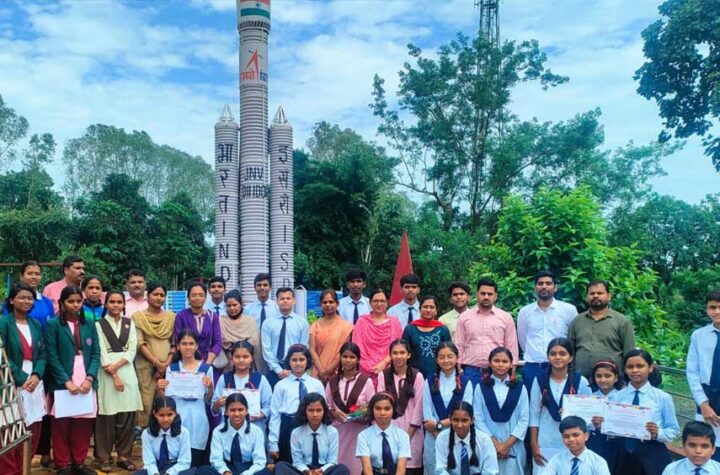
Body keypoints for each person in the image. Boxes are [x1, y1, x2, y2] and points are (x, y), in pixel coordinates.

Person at [44, 285, 100, 475]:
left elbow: (96, 353)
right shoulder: (53, 325)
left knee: (83, 423)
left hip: (85, 376)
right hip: (62, 378)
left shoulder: (89, 323)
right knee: (61, 423)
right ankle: (62, 464)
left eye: (78, 301)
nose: (75, 305)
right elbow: (51, 355)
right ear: (62, 303)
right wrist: (66, 381)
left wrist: (90, 378)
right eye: (70, 301)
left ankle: (79, 462)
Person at [0, 284, 46, 475]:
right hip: (8, 381)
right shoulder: (3, 322)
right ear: (11, 300)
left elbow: (42, 354)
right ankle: (9, 471)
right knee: (9, 427)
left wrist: (36, 374)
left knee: (32, 425)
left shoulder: (35, 324)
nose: (26, 301)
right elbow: (1, 354)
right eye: (22, 297)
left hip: (34, 380)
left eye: (30, 298)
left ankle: (24, 468)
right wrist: (21, 378)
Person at [95, 290, 143, 472]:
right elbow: (101, 351)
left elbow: (132, 349)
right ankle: (104, 456)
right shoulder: (99, 324)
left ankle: (124, 455)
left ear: (124, 304)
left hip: (127, 369)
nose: (116, 305)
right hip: (106, 372)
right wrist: (114, 374)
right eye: (112, 302)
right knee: (107, 415)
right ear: (106, 304)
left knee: (127, 415)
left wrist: (118, 367)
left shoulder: (130, 323)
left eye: (119, 302)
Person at [528, 338, 591, 475]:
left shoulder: (581, 382)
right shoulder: (539, 380)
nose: (557, 357)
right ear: (548, 357)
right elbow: (534, 414)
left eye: (562, 353)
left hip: (572, 442)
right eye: (553, 354)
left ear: (571, 357)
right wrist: (534, 443)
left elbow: (588, 413)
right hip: (545, 441)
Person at [612, 349, 679, 475]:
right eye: (630, 367)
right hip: (622, 452)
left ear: (651, 368)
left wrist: (657, 433)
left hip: (651, 453)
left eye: (640, 366)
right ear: (625, 369)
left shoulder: (662, 398)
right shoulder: (617, 397)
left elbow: (673, 430)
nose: (635, 370)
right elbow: (612, 428)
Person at [158, 329, 214, 467]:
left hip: (198, 419)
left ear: (196, 346)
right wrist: (159, 389)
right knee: (178, 459)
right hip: (178, 418)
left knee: (194, 461)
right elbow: (167, 400)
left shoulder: (206, 369)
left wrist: (210, 387)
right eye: (184, 343)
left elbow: (209, 400)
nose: (187, 347)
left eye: (191, 343)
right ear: (178, 346)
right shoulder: (172, 369)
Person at [517, 271, 578, 390]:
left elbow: (573, 338)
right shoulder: (525, 312)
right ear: (535, 288)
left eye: (548, 283)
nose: (544, 286)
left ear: (555, 288)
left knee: (559, 399)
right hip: (533, 366)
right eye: (540, 283)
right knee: (532, 399)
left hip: (560, 366)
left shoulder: (568, 310)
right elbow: (523, 339)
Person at [474, 347, 529, 475]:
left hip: (513, 446)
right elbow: (478, 417)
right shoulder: (480, 387)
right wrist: (494, 444)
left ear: (511, 364)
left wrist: (506, 446)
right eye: (496, 361)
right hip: (488, 443)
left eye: (505, 361)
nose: (500, 365)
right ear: (489, 362)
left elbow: (524, 419)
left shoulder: (520, 387)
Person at [422, 342, 473, 475]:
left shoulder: (466, 383)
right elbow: (427, 414)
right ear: (436, 360)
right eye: (442, 357)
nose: (446, 360)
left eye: (450, 356)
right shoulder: (429, 381)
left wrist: (438, 424)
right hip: (433, 437)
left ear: (457, 358)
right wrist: (438, 437)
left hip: (458, 434)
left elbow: (464, 415)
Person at [456, 278, 519, 385]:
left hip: (498, 372)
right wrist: (458, 369)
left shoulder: (505, 318)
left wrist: (511, 373)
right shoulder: (464, 317)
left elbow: (511, 346)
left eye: (490, 294)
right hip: (470, 371)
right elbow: (459, 345)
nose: (486, 297)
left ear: (496, 296)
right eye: (483, 293)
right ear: (477, 294)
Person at [268, 344, 325, 463]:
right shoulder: (281, 385)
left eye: (301, 359)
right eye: (294, 360)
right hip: (288, 427)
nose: (298, 363)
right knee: (287, 464)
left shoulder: (316, 384)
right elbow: (275, 415)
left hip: (310, 426)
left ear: (307, 361)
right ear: (288, 361)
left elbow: (323, 411)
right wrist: (273, 442)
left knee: (309, 463)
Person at [567, 280, 636, 378]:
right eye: (592, 293)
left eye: (600, 293)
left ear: (609, 296)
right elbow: (570, 351)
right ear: (586, 297)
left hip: (611, 380)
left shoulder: (622, 321)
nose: (595, 296)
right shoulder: (577, 321)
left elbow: (629, 353)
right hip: (581, 379)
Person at [325, 342, 375, 474]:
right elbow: (326, 405)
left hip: (358, 432)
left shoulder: (366, 381)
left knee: (356, 465)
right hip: (337, 431)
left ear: (358, 360)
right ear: (340, 358)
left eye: (352, 357)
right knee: (337, 464)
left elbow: (372, 406)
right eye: (345, 356)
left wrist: (359, 414)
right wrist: (335, 414)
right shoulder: (332, 381)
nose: (348, 360)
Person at [377, 339, 425, 474]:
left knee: (409, 468)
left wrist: (406, 437)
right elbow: (381, 404)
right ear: (390, 355)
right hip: (389, 431)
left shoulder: (417, 376)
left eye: (402, 353)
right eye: (395, 353)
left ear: (408, 355)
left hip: (412, 432)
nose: (398, 356)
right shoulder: (383, 376)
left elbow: (419, 408)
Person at [133, 282, 176, 428]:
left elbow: (175, 343)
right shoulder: (138, 317)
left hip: (168, 367)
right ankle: (145, 433)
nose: (158, 298)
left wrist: (166, 364)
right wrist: (157, 363)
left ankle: (166, 432)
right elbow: (140, 343)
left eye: (162, 295)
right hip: (146, 366)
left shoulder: (171, 317)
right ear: (148, 295)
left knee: (166, 400)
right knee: (146, 400)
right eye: (155, 294)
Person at [274, 393, 350, 475]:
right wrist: (308, 471)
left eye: (319, 410)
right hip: (304, 471)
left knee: (342, 469)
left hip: (325, 471)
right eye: (310, 410)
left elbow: (332, 461)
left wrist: (320, 471)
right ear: (304, 411)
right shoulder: (296, 433)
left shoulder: (332, 432)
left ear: (324, 411)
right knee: (280, 466)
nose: (315, 415)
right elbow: (297, 462)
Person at [199, 393, 271, 475]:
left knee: (265, 472)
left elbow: (259, 461)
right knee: (203, 470)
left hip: (249, 469)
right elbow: (216, 459)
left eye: (240, 410)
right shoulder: (218, 431)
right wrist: (225, 472)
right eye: (232, 410)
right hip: (227, 468)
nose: (236, 414)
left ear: (246, 411)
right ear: (226, 412)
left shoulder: (256, 431)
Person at [687, 290, 720, 461]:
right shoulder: (699, 336)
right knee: (705, 445)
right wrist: (703, 404)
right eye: (712, 307)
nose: (717, 312)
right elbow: (692, 372)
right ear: (707, 309)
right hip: (707, 396)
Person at [211, 341, 271, 434]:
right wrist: (217, 404)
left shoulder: (261, 379)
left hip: (254, 429)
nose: (241, 360)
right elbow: (214, 409)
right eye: (237, 357)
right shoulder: (224, 378)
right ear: (232, 358)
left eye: (245, 357)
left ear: (252, 358)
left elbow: (269, 406)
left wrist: (260, 415)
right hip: (228, 430)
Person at [352, 288, 403, 385]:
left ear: (387, 303)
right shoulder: (362, 322)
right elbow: (357, 346)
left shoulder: (395, 323)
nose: (379, 304)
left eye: (382, 301)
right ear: (370, 303)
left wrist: (384, 363)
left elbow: (398, 347)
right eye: (375, 301)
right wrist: (370, 367)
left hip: (389, 371)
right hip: (365, 372)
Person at [261, 287, 309, 387]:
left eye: (288, 298)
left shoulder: (302, 323)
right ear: (277, 301)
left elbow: (303, 348)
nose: (285, 301)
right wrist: (278, 370)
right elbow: (266, 349)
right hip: (274, 369)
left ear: (294, 301)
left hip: (295, 368)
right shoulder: (268, 323)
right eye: (282, 298)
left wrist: (292, 369)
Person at [435, 401, 499, 475]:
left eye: (464, 420)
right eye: (455, 420)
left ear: (472, 420)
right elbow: (440, 470)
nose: (459, 425)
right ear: (450, 419)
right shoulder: (442, 438)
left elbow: (490, 471)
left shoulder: (484, 440)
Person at [356, 392, 412, 475]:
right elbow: (367, 468)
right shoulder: (363, 436)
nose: (382, 413)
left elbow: (401, 469)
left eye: (387, 409)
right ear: (372, 410)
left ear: (393, 410)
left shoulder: (403, 436)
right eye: (378, 408)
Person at [135, 396, 194, 475]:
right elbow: (149, 462)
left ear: (175, 413)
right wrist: (155, 473)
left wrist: (170, 473)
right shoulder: (147, 434)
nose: (166, 419)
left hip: (175, 468)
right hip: (156, 467)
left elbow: (184, 462)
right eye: (161, 415)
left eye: (170, 415)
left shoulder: (183, 433)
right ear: (155, 414)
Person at [402, 295, 451, 379]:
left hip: (438, 375)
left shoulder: (443, 330)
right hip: (414, 375)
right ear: (419, 309)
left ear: (436, 310)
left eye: (432, 307)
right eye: (425, 307)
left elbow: (448, 353)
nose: (428, 310)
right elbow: (404, 352)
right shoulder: (410, 329)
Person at [309, 289, 353, 382]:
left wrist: (328, 371)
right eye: (325, 302)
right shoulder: (315, 325)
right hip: (317, 372)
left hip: (337, 371)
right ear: (320, 305)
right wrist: (321, 370)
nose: (328, 305)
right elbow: (312, 349)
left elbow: (343, 351)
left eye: (331, 302)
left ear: (337, 304)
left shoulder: (346, 326)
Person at [542, 416, 610, 475]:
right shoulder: (556, 460)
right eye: (566, 436)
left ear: (586, 436)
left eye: (576, 435)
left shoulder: (598, 462)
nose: (571, 439)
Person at [174, 283, 222, 365]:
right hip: (186, 361)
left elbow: (218, 342)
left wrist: (207, 363)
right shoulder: (181, 316)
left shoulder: (213, 316)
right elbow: (178, 340)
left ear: (205, 298)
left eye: (201, 295)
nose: (197, 298)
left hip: (209, 361)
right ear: (188, 298)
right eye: (193, 295)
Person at [587, 360, 622, 470]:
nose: (603, 380)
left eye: (607, 376)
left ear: (616, 378)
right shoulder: (589, 398)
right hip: (594, 442)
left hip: (616, 445)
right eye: (599, 376)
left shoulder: (623, 398)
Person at [217, 290, 261, 373]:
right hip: (228, 363)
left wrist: (236, 346)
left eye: (235, 305)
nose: (232, 308)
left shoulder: (250, 320)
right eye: (229, 306)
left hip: (247, 362)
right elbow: (222, 340)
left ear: (241, 304)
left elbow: (254, 341)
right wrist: (239, 343)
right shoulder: (221, 320)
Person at [1, 260, 55, 328]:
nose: (34, 277)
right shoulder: (13, 301)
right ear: (21, 276)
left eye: (37, 274)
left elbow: (51, 326)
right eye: (29, 273)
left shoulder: (47, 302)